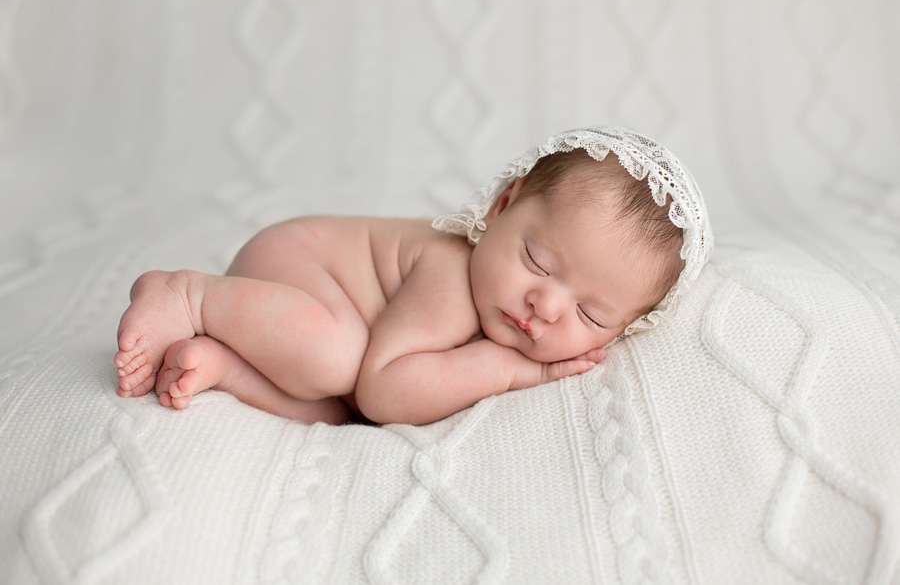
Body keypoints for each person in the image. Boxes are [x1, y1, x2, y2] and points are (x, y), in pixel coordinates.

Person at [114, 127, 712, 425]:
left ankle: (223, 363)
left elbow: (365, 406)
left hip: (314, 323)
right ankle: (188, 294)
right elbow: (384, 392)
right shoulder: (455, 275)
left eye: (591, 315)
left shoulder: (502, 299)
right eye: (538, 262)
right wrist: (505, 369)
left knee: (335, 413)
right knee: (338, 365)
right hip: (295, 266)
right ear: (502, 206)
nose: (546, 307)